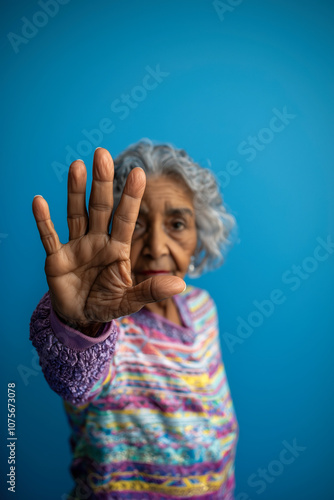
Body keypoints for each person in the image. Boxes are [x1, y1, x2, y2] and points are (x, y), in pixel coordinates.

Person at [30, 140, 239, 499]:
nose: (157, 246)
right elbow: (77, 380)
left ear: (198, 234)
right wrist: (83, 324)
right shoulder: (111, 332)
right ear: (112, 234)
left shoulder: (203, 308)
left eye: (176, 223)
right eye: (137, 225)